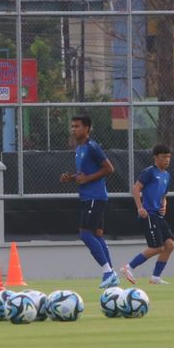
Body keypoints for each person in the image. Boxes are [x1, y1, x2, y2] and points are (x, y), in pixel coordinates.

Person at [59, 115, 121, 289]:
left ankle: (108, 272)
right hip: (89, 197)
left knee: (85, 234)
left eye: (77, 126)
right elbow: (83, 175)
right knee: (97, 235)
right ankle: (112, 275)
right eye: (72, 126)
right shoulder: (79, 148)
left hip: (95, 197)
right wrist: (70, 178)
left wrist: (88, 179)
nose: (73, 129)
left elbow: (109, 168)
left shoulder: (92, 146)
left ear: (87, 128)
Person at [120, 145, 174, 285]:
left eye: (168, 157)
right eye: (163, 157)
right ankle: (128, 267)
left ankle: (155, 277)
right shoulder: (149, 172)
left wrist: (164, 204)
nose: (167, 160)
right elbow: (136, 188)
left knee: (169, 245)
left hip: (159, 214)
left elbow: (163, 194)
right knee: (157, 247)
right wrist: (140, 207)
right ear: (156, 158)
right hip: (149, 214)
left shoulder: (167, 175)